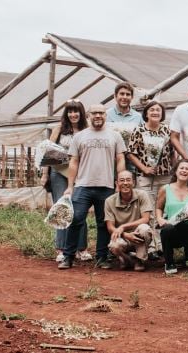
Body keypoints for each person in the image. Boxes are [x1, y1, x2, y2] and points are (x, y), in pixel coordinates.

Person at [58, 104, 126, 269]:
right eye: (95, 113)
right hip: (83, 185)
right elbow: (73, 162)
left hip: (106, 186)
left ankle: (102, 257)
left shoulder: (115, 136)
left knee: (104, 223)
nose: (98, 116)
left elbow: (120, 159)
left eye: (101, 113)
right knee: (75, 219)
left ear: (105, 115)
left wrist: (120, 182)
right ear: (89, 115)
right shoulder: (79, 136)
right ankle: (68, 256)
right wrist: (70, 186)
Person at [40, 99, 90, 263]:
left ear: (81, 113)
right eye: (70, 111)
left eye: (76, 111)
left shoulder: (87, 130)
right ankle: (61, 249)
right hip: (59, 173)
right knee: (62, 208)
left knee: (79, 210)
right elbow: (49, 153)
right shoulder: (60, 129)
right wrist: (45, 175)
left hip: (80, 174)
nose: (73, 114)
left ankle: (81, 248)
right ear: (66, 114)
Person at [155, 159, 188, 275]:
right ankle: (169, 262)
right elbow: (158, 208)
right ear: (176, 171)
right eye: (181, 168)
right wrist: (159, 218)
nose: (184, 171)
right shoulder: (165, 189)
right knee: (167, 229)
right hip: (172, 228)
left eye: (187, 169)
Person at [104, 170, 153, 271]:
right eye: (122, 180)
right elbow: (110, 227)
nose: (125, 183)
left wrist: (123, 227)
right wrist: (125, 234)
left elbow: (146, 219)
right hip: (123, 236)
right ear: (117, 183)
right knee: (114, 245)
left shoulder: (142, 195)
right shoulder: (109, 201)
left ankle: (140, 260)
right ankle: (127, 259)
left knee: (145, 228)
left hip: (138, 234)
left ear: (133, 182)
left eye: (128, 180)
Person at [128, 100, 175, 201]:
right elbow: (131, 153)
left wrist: (174, 170)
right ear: (146, 113)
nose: (155, 112)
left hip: (165, 176)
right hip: (145, 177)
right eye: (152, 110)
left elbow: (172, 152)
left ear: (162, 114)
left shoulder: (167, 129)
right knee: (147, 206)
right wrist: (144, 168)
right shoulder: (139, 130)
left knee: (164, 206)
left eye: (158, 110)